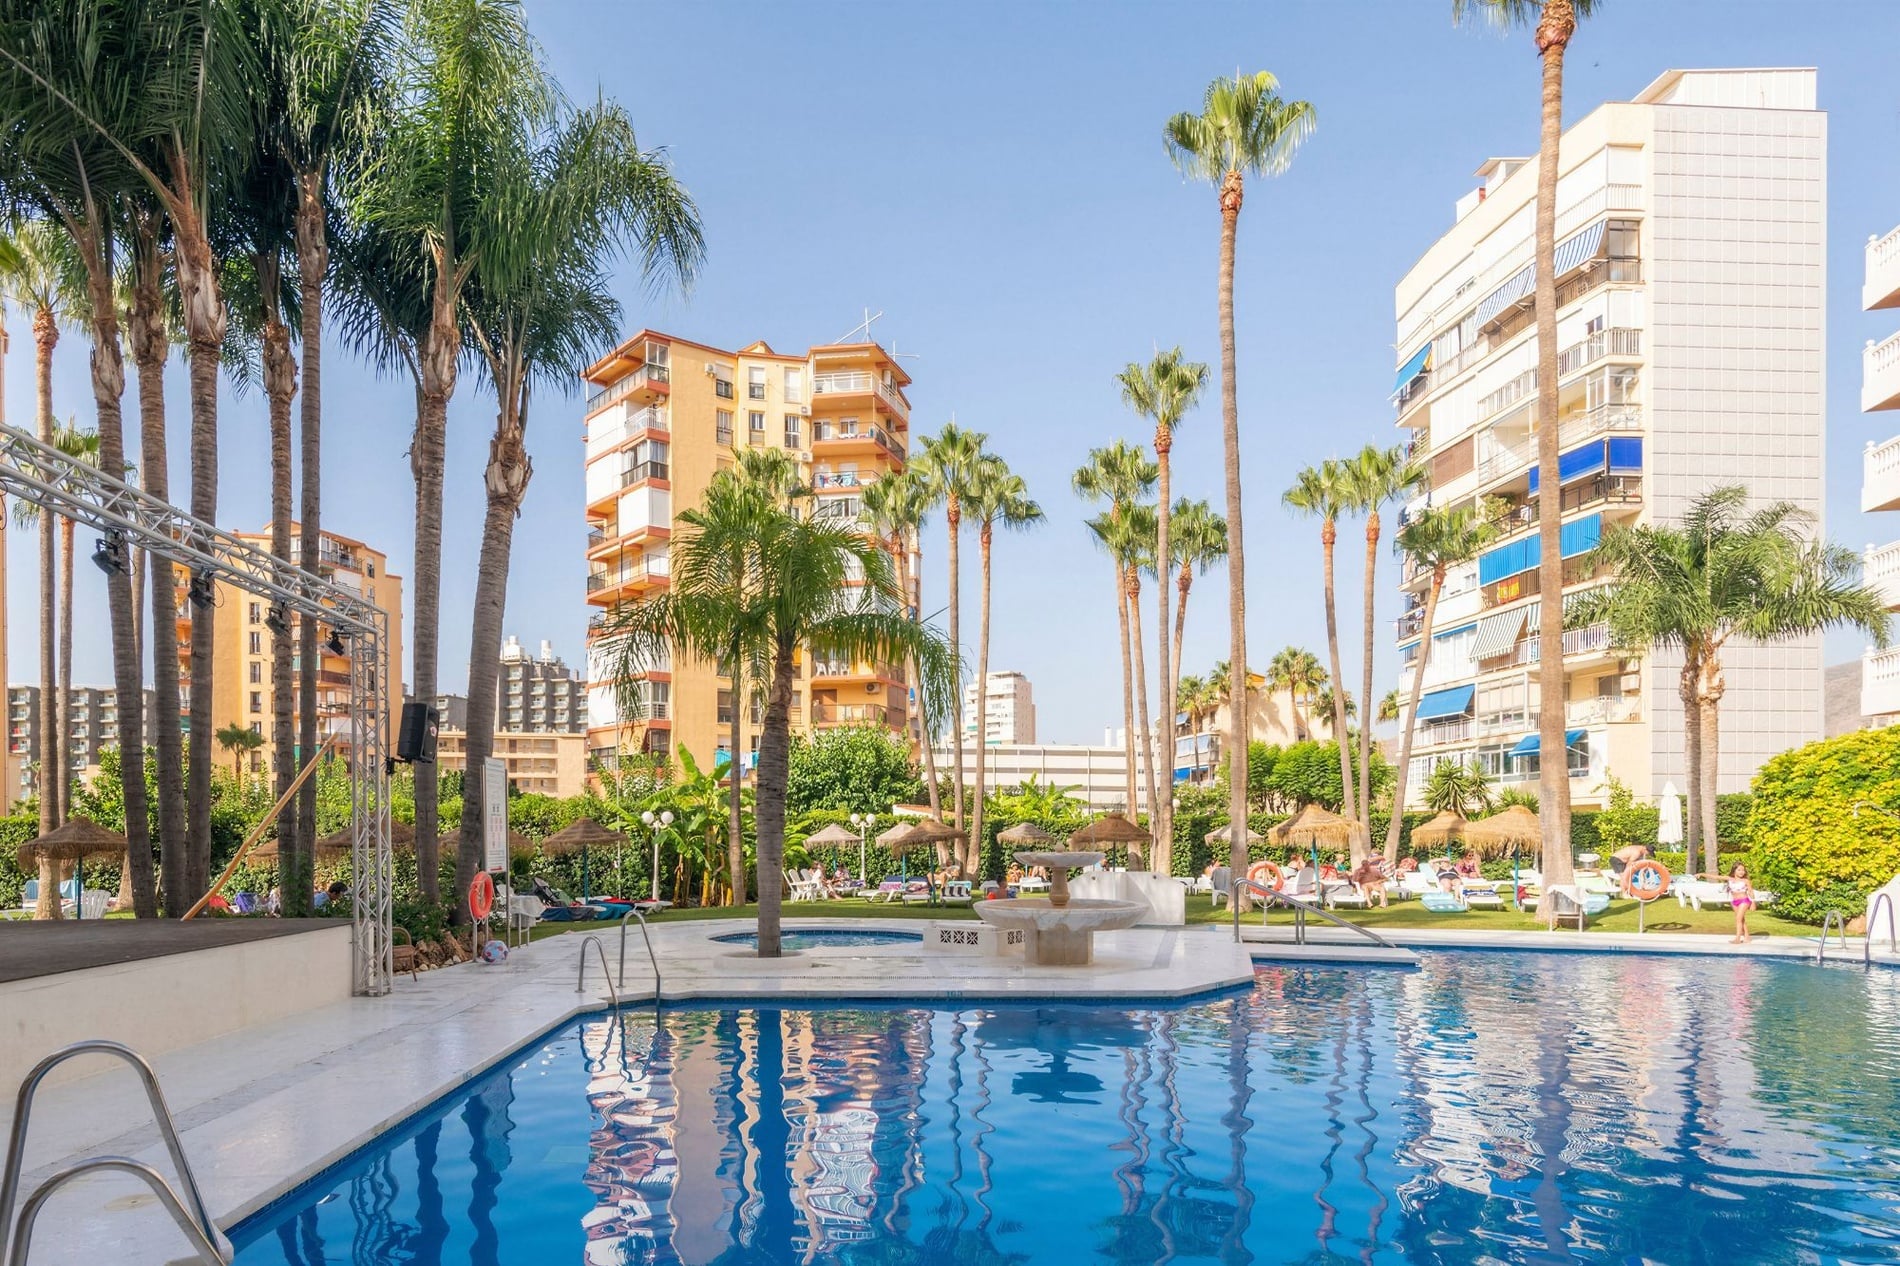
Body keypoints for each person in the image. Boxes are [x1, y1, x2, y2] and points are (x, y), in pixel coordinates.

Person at [1726, 863, 1756, 944]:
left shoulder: (1746, 881)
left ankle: (1738, 938)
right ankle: (1747, 937)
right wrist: (1701, 874)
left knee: (1738, 919)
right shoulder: (1730, 879)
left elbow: (1750, 892)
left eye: (1743, 870)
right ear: (1734, 870)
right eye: (1739, 870)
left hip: (1744, 900)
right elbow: (1714, 877)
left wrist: (1753, 903)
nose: (1741, 872)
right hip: (1734, 901)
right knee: (1741, 920)